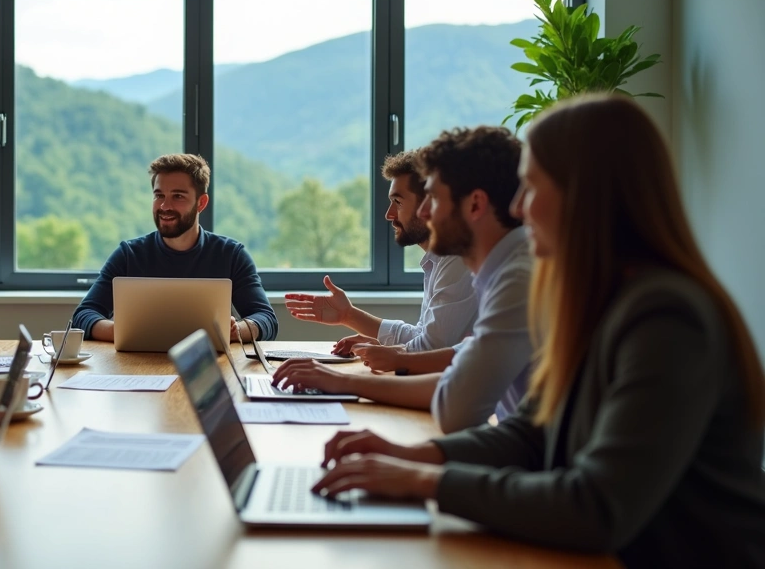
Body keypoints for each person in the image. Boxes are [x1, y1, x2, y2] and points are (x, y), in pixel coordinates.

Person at [306, 95, 765, 567]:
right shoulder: (596, 300)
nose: (520, 209)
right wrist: (414, 456)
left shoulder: (667, 319)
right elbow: (530, 432)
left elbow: (596, 506)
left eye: (531, 187)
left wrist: (424, 482)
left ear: (586, 194)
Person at [274, 126, 532, 433]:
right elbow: (456, 363)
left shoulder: (515, 278)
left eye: (432, 198)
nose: (424, 212)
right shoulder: (495, 273)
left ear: (475, 204)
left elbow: (454, 403)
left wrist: (342, 380)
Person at [285, 149, 477, 368]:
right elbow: (423, 336)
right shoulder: (439, 260)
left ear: (429, 205)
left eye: (398, 202)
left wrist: (382, 351)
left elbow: (431, 348)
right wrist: (349, 315)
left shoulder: (457, 258)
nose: (389, 214)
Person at [72, 153, 277, 343]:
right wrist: (123, 331)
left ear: (201, 203)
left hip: (209, 367)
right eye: (159, 195)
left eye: (177, 196)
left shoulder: (231, 255)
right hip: (137, 368)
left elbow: (266, 320)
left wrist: (236, 331)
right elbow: (83, 315)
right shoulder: (129, 254)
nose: (164, 206)